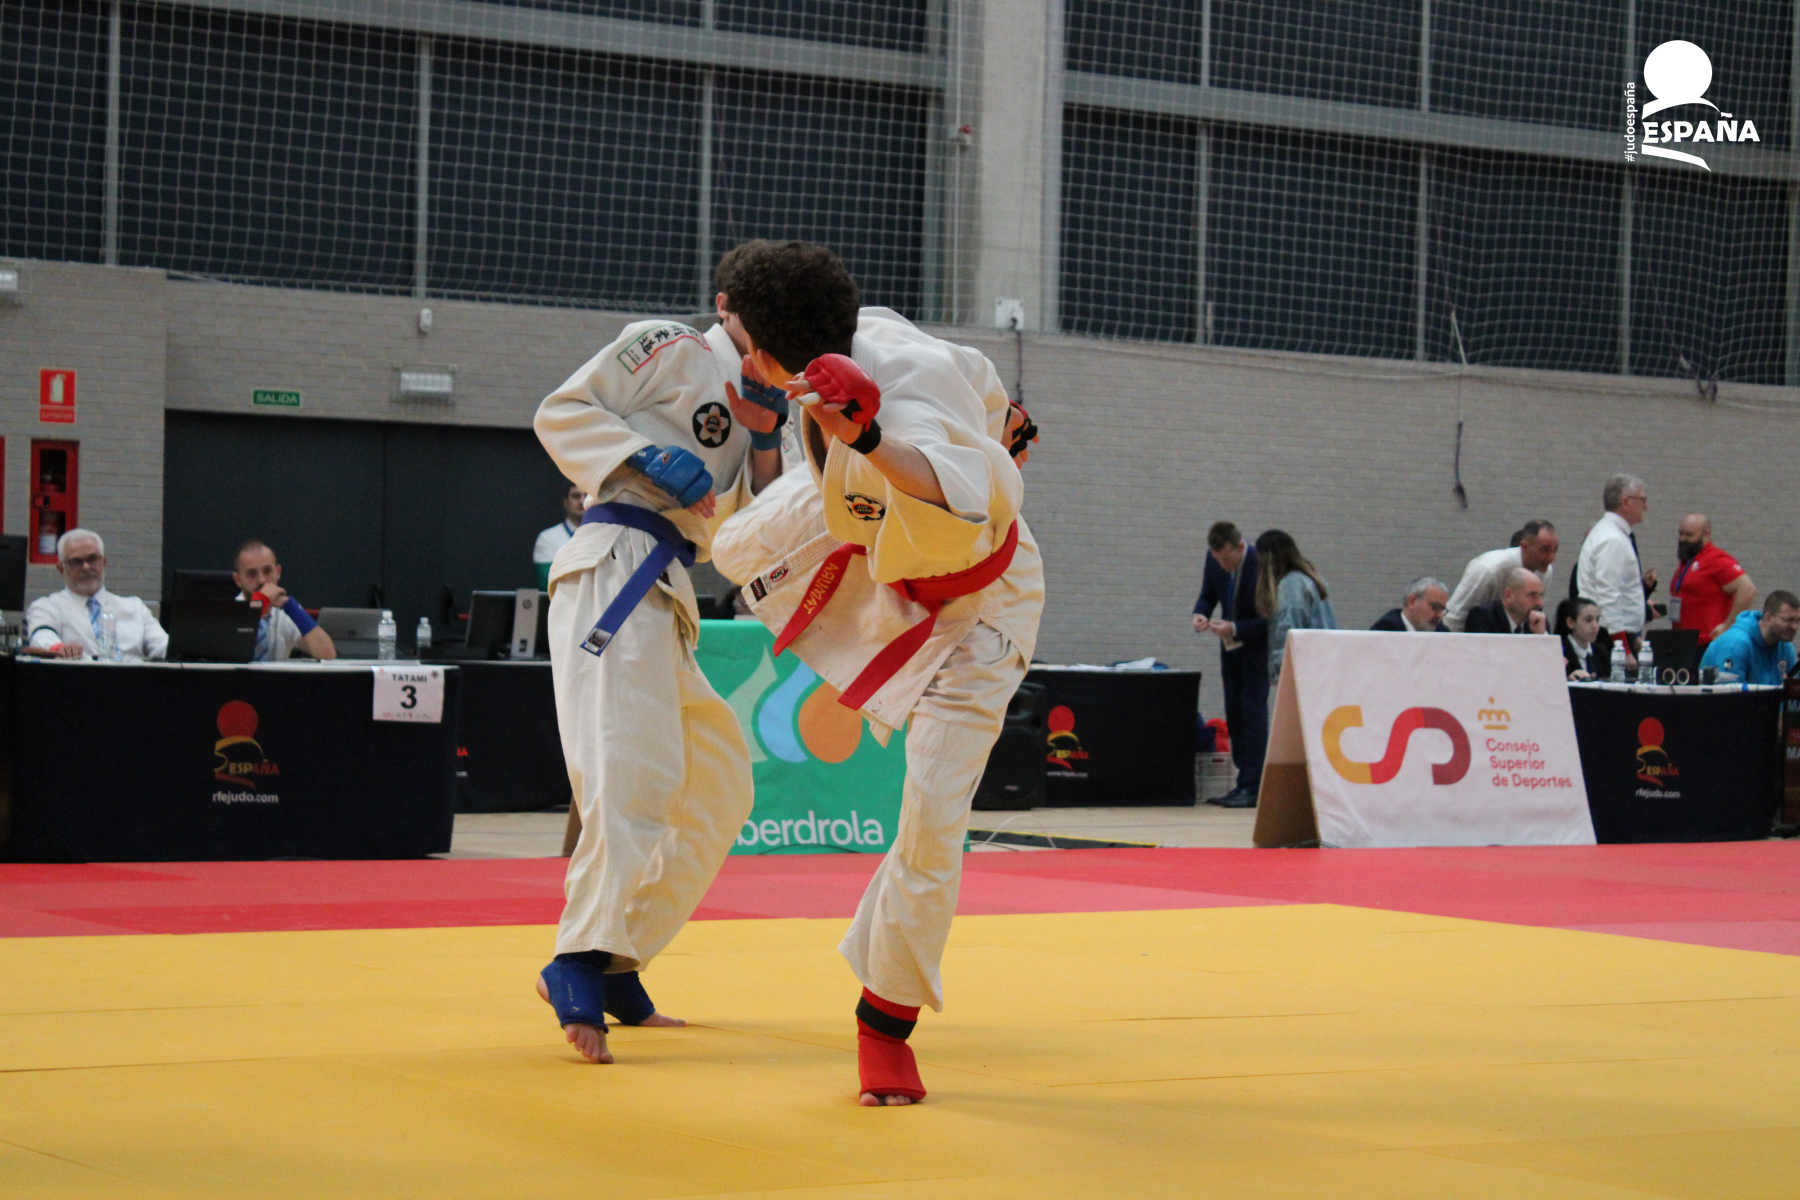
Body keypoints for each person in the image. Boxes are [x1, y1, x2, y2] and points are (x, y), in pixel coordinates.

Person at [710, 239, 1042, 1107]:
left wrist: (870, 437)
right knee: (732, 546)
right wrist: (1007, 418)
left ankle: (884, 1021)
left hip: (981, 600)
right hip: (869, 545)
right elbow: (984, 384)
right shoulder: (862, 337)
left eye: (736, 335)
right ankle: (854, 634)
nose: (732, 347)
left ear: (764, 355)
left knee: (931, 821)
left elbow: (955, 485)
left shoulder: (901, 394)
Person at [531, 289, 786, 1066]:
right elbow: (561, 411)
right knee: (630, 772)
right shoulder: (672, 345)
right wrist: (640, 455)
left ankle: (618, 956)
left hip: (668, 588)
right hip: (613, 568)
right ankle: (577, 954)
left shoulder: (760, 397)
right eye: (763, 320)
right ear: (728, 305)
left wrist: (767, 441)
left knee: (719, 785)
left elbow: (749, 533)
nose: (770, 340)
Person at [1191, 522, 1266, 809]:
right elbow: (1207, 595)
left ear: (1240, 547)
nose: (1222, 565)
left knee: (1252, 712)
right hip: (1230, 649)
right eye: (1217, 559)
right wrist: (1200, 613)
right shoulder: (1214, 560)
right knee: (1234, 712)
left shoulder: (1260, 563)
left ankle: (1254, 784)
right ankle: (1242, 780)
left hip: (1255, 648)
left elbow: (1269, 619)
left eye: (1226, 559)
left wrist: (1235, 628)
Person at [24, 529, 168, 660]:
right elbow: (41, 636)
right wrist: (59, 648)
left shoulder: (135, 607)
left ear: (103, 562)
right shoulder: (47, 607)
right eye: (76, 562)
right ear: (61, 568)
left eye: (92, 559)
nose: (86, 567)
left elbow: (164, 646)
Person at [1575, 475, 1657, 651]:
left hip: (1615, 635)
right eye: (1643, 500)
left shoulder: (1611, 533)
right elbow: (1608, 597)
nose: (1646, 506)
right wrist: (1623, 649)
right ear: (1626, 502)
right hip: (1610, 639)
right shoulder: (1613, 539)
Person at [1442, 520, 1559, 632]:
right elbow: (1454, 618)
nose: (1552, 558)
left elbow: (1534, 614)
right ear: (1524, 546)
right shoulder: (1488, 570)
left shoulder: (1546, 571)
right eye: (1545, 550)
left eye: (1555, 550)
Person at [230, 540, 337, 661]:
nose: (262, 580)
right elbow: (235, 649)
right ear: (238, 580)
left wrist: (290, 606)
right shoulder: (227, 612)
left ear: (278, 572)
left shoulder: (285, 614)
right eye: (252, 573)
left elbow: (327, 654)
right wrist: (260, 602)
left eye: (267, 571)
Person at [1256, 529, 1336, 683]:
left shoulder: (1290, 586)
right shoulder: (1313, 579)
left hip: (1303, 669)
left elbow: (1288, 631)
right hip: (1323, 662)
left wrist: (1280, 669)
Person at [1671, 514, 1755, 647]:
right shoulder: (1687, 561)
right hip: (1682, 641)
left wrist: (1728, 626)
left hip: (1706, 643)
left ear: (1706, 534)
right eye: (1681, 533)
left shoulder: (1716, 559)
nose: (1682, 539)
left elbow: (1748, 589)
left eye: (1689, 535)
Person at [1700, 590, 1800, 685]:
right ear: (1768, 618)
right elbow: (1728, 694)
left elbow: (1792, 691)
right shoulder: (1735, 644)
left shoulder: (1785, 646)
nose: (1795, 627)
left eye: (1798, 620)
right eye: (1789, 620)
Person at [533, 482, 587, 589]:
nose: (582, 501)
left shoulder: (603, 536)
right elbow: (547, 582)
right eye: (576, 496)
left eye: (586, 496)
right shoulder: (548, 538)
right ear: (566, 502)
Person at [1464, 567, 1547, 634]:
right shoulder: (1482, 618)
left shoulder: (1538, 622)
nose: (1540, 603)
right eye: (1532, 595)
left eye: (1541, 595)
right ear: (1508, 595)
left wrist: (1541, 636)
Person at [1555, 597, 1611, 679]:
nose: (1595, 625)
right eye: (1588, 620)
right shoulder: (1559, 651)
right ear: (1571, 622)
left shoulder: (1601, 652)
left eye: (1597, 620)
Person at [1372, 577, 1449, 632]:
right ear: (1412, 601)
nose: (1440, 615)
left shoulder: (1442, 633)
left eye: (1442, 610)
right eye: (1435, 607)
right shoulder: (1385, 631)